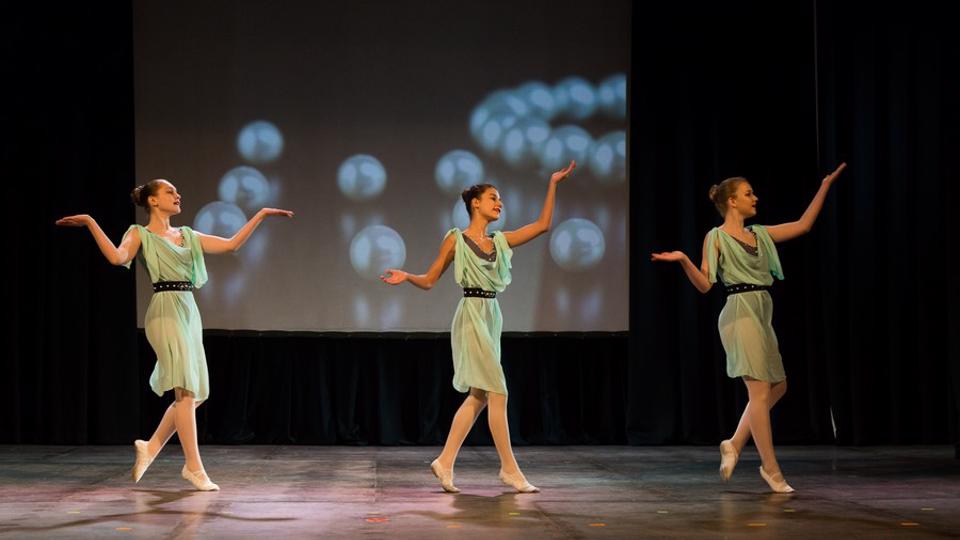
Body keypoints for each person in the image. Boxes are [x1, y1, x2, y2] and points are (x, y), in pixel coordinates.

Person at [57, 178, 293, 490]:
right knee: (185, 390)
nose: (177, 195)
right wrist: (90, 222)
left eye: (177, 191)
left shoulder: (188, 235)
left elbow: (231, 244)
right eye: (170, 191)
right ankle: (194, 468)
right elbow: (117, 257)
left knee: (194, 393)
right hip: (164, 310)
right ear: (153, 201)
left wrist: (260, 215)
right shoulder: (139, 233)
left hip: (188, 309)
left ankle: (151, 446)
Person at [381, 160, 577, 493]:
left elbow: (543, 225)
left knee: (479, 395)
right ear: (475, 203)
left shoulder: (500, 241)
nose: (499, 203)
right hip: (471, 314)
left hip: (491, 314)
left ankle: (445, 461)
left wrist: (553, 184)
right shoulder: (456, 240)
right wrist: (408, 276)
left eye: (500, 199)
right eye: (493, 198)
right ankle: (509, 469)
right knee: (498, 390)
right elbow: (430, 280)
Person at [651, 163, 846, 493]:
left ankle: (734, 443)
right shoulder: (715, 237)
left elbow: (803, 225)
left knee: (778, 386)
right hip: (739, 312)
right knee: (759, 392)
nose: (755, 198)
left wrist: (825, 185)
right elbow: (705, 284)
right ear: (731, 201)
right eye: (748, 193)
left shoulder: (760, 234)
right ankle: (771, 468)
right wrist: (683, 259)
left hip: (762, 311)